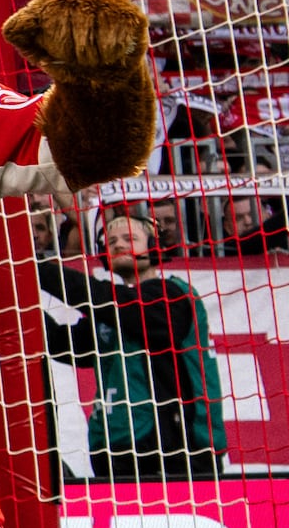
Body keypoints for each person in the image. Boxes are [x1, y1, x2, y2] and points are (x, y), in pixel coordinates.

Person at [41, 202, 226, 475]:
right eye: (111, 240)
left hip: (177, 452)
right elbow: (61, 343)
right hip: (116, 448)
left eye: (130, 238)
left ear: (153, 245)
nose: (118, 245)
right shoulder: (111, 310)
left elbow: (105, 299)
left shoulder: (172, 295)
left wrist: (36, 269)